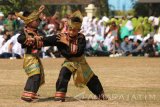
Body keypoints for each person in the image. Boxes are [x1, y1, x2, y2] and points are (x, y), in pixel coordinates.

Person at [43, 11, 107, 102]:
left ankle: (101, 94)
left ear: (78, 30)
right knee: (63, 74)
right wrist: (35, 39)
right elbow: (48, 40)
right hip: (69, 62)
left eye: (74, 30)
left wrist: (66, 42)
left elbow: (77, 51)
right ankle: (60, 95)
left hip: (80, 62)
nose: (71, 32)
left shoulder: (81, 38)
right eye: (70, 29)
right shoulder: (62, 36)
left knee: (91, 79)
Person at [16, 5, 45, 102]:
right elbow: (20, 39)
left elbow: (44, 38)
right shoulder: (25, 31)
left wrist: (39, 12)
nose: (38, 22)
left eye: (38, 20)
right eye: (36, 21)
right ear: (29, 22)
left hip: (35, 58)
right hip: (29, 58)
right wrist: (30, 39)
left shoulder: (37, 31)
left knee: (37, 76)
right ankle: (29, 94)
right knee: (35, 75)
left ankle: (29, 94)